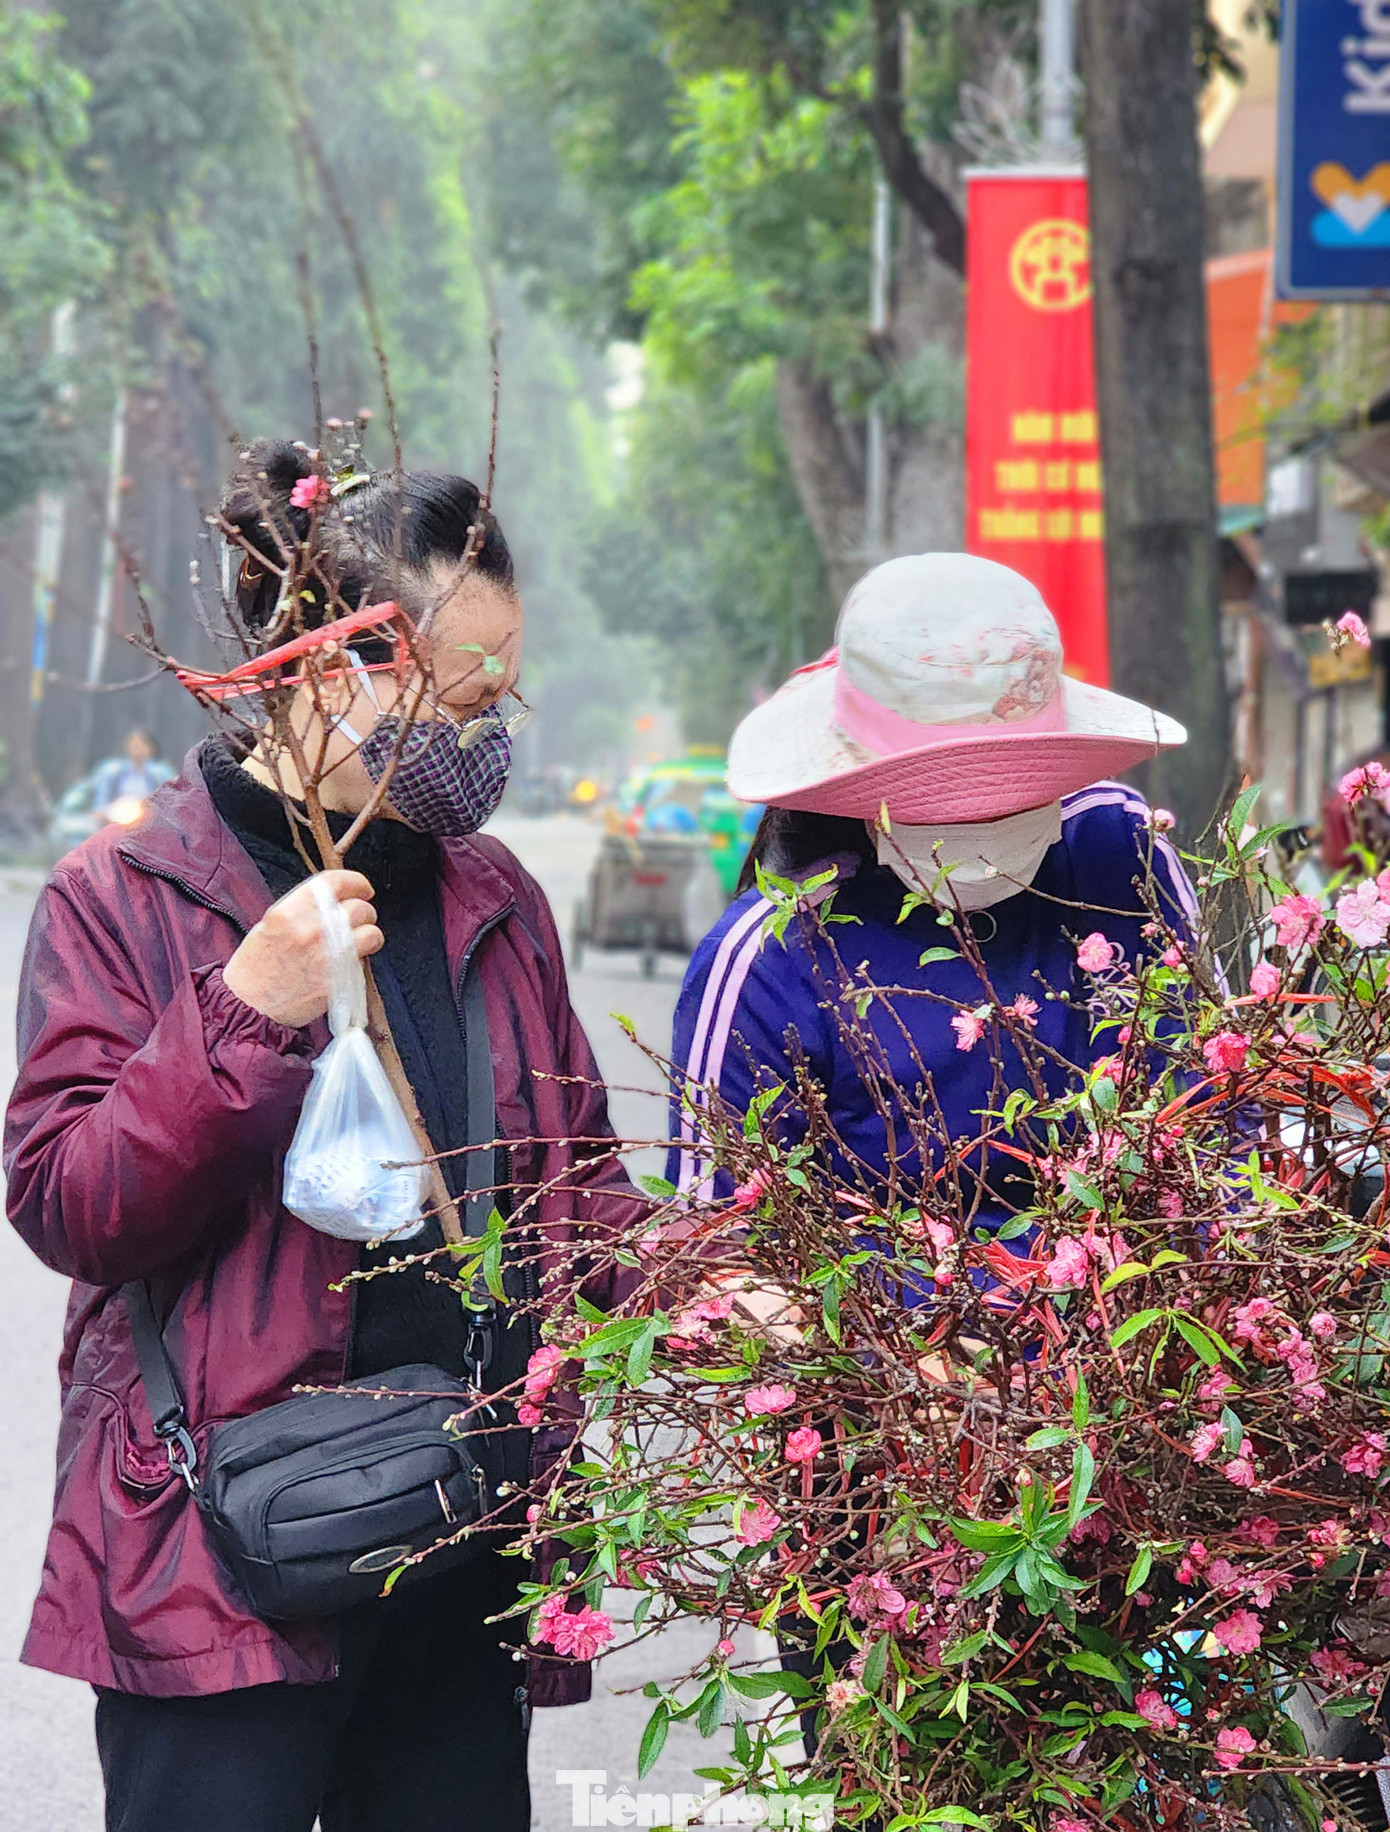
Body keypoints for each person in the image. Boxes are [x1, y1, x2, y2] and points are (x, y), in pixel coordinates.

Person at [5, 441, 643, 1832]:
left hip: (462, 1527)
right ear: (326, 664)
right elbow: (73, 1206)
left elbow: (576, 1189)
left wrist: (709, 1290)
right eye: (461, 693)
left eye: (500, 694)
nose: (487, 732)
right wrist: (243, 1013)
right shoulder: (124, 893)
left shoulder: (494, 896)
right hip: (222, 1553)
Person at [669, 549, 1196, 1245]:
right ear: (858, 794)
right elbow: (720, 1250)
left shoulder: (1122, 854)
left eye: (1013, 797)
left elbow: (1209, 1123)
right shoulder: (770, 960)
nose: (984, 831)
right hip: (881, 1343)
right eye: (950, 806)